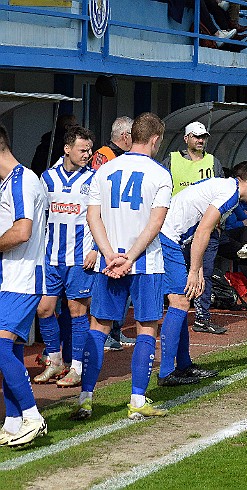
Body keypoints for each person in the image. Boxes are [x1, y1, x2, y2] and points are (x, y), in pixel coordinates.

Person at [70, 112, 172, 421]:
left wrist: (110, 254)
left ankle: (85, 399)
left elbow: (92, 217)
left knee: (98, 327)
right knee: (146, 327)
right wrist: (130, 257)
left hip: (108, 263)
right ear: (155, 139)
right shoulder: (160, 174)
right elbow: (156, 223)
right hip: (145, 263)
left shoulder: (104, 170)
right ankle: (137, 400)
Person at [158, 162, 247, 386]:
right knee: (180, 302)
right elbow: (204, 229)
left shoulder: (224, 187)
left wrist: (200, 268)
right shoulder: (230, 194)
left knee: (182, 301)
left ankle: (183, 365)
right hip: (167, 238)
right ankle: (166, 372)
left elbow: (201, 228)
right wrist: (195, 271)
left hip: (172, 237)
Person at [35, 126, 96, 388]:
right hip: (51, 257)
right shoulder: (47, 178)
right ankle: (55, 359)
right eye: (83, 150)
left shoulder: (93, 179)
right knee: (44, 308)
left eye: (90, 149)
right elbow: (39, 217)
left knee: (77, 311)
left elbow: (98, 218)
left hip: (80, 257)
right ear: (67, 149)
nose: (88, 154)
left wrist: (94, 249)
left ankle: (78, 368)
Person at [0, 124, 49, 446]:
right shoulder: (11, 182)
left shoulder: (22, 181)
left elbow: (21, 232)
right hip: (13, 278)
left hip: (22, 278)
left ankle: (32, 416)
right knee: (12, 350)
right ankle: (15, 420)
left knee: (1, 347)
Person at [162, 121, 226, 335]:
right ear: (186, 138)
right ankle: (175, 311)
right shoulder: (172, 160)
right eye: (196, 136)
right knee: (177, 274)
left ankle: (202, 317)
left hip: (206, 228)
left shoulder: (213, 162)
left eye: (203, 137)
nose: (200, 140)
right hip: (177, 229)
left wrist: (219, 224)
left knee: (204, 273)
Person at [91, 116, 137, 351]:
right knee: (109, 285)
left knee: (123, 285)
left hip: (122, 229)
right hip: (106, 231)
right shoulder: (103, 155)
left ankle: (117, 331)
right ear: (125, 136)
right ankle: (107, 333)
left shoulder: (125, 157)